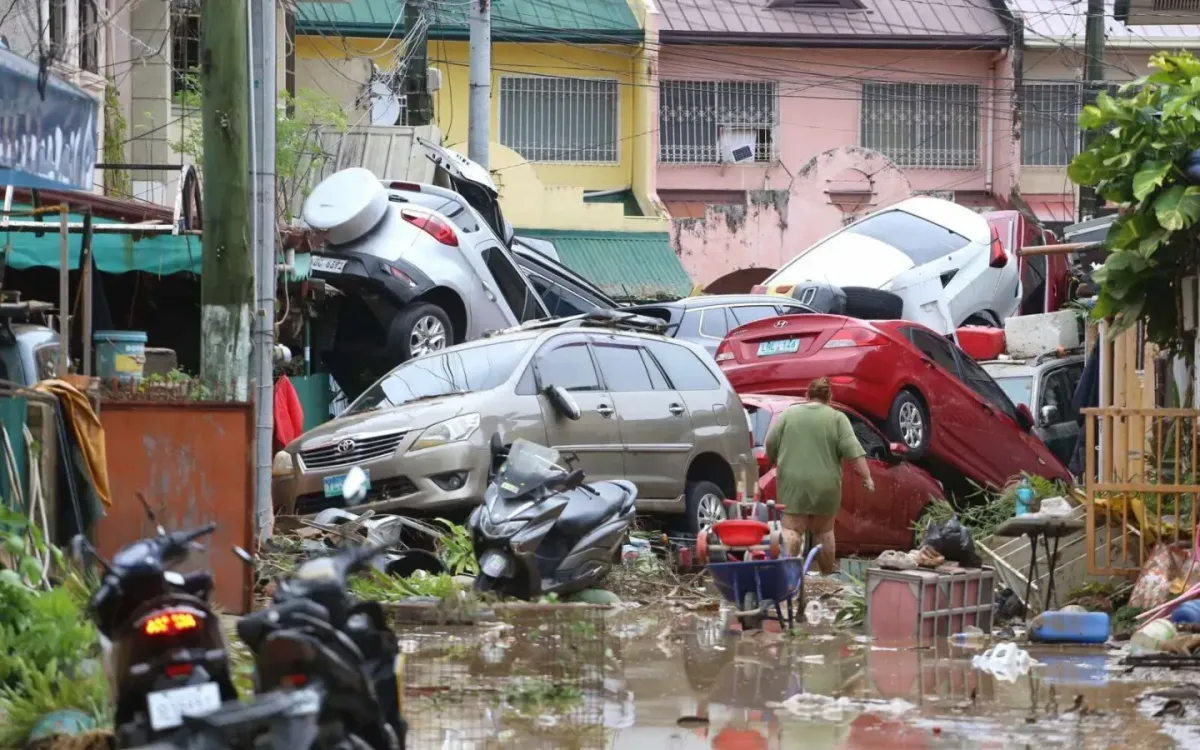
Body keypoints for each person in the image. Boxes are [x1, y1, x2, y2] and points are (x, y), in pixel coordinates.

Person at [764, 377, 873, 574]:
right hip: (826, 485)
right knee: (824, 532)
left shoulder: (788, 414)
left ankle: (786, 576)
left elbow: (770, 443)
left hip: (793, 483)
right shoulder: (837, 418)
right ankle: (827, 578)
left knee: (791, 530)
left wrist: (773, 459)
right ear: (829, 397)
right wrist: (867, 478)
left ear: (807, 395)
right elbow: (854, 451)